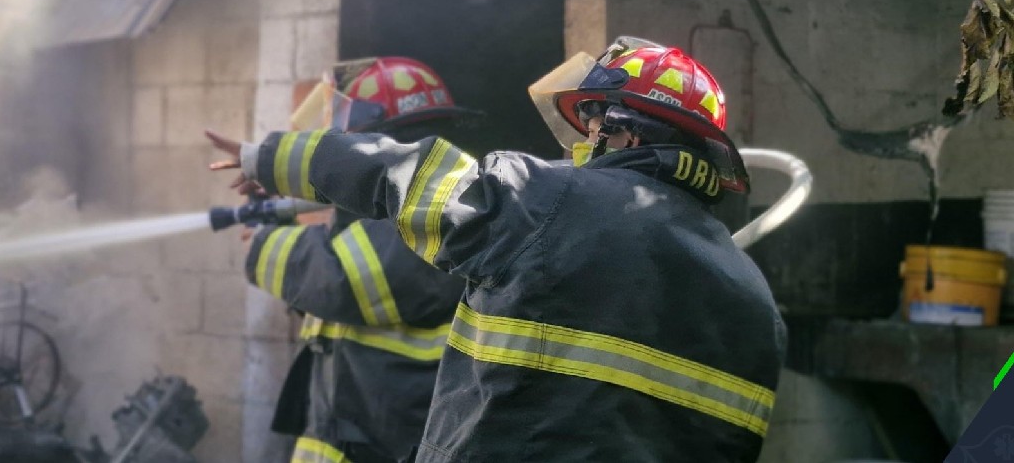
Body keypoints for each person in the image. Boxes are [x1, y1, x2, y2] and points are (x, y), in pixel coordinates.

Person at [210, 38, 785, 462]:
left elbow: (401, 172)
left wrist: (269, 159)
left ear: (625, 131)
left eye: (590, 126)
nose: (586, 145)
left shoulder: (552, 201)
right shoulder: (758, 302)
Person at [219, 57, 477, 462]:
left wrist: (266, 246)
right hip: (356, 431)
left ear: (384, 140)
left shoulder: (439, 213)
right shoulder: (397, 213)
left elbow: (345, 282)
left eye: (351, 144)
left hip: (388, 441)